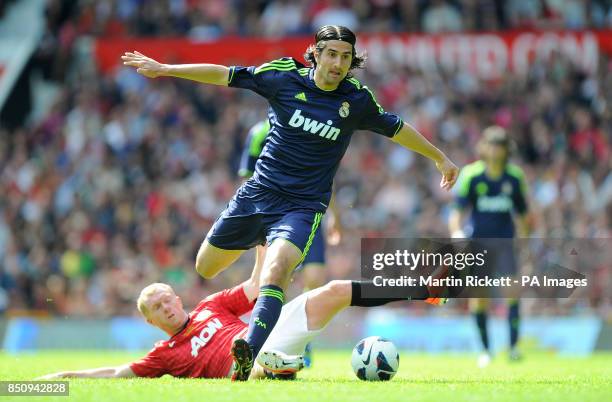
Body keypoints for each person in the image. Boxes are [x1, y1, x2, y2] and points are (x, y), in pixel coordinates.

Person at [122, 25, 459, 380]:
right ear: (315, 52)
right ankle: (274, 336)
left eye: (346, 57)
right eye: (331, 54)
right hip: (257, 196)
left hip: (302, 206)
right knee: (205, 267)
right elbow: (226, 74)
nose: (338, 63)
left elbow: (397, 127)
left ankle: (250, 348)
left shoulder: (355, 100)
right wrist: (167, 70)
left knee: (285, 270)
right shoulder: (282, 76)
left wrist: (439, 158)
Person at [37, 254, 445, 381]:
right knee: (249, 366)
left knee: (334, 290)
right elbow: (114, 375)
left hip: (264, 333)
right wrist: (45, 385)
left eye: (167, 298)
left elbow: (255, 286)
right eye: (158, 308)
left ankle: (424, 290)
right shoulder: (163, 355)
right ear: (151, 321)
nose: (167, 306)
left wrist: (266, 241)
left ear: (178, 297)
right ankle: (272, 369)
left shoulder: (212, 305)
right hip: (243, 364)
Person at [239, 119, 343, 367]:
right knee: (277, 281)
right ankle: (278, 341)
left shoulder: (307, 126)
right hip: (272, 216)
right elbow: (246, 178)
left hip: (306, 213)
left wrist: (335, 216)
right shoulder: (258, 133)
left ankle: (303, 340)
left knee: (315, 278)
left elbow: (324, 176)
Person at [448, 126, 530, 367]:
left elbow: (524, 214)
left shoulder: (514, 178)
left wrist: (525, 242)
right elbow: (457, 211)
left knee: (512, 295)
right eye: (491, 145)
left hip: (506, 244)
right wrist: (455, 231)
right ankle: (485, 351)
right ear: (483, 147)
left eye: (500, 146)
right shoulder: (472, 175)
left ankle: (513, 348)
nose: (495, 150)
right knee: (479, 298)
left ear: (506, 150)